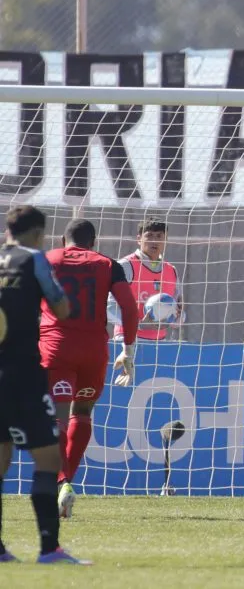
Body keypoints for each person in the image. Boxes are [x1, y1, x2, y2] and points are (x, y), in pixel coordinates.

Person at [0, 205, 89, 564]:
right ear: (38, 232)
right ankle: (49, 549)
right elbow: (62, 307)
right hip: (23, 373)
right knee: (49, 458)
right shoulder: (34, 259)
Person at [39, 218, 139, 519]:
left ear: (62, 240)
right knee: (81, 413)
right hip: (94, 350)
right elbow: (130, 308)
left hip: (55, 347)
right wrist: (128, 349)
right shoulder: (108, 264)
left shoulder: (45, 260)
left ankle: (62, 482)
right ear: (93, 243)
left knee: (55, 417)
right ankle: (66, 483)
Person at [107, 217, 183, 352]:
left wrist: (178, 316)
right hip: (127, 342)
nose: (154, 241)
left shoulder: (171, 270)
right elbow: (108, 308)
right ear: (139, 239)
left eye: (159, 236)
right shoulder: (125, 266)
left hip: (161, 343)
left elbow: (178, 317)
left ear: (165, 240)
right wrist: (139, 325)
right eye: (149, 236)